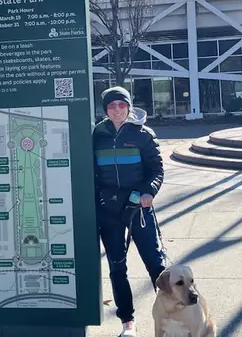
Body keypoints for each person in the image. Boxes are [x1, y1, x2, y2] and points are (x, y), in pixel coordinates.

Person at [93, 86, 165, 337]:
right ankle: (128, 323)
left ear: (129, 107)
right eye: (111, 105)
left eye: (121, 105)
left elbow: (156, 169)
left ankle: (170, 317)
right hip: (109, 209)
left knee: (155, 264)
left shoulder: (143, 134)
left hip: (138, 208)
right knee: (116, 266)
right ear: (105, 109)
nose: (116, 110)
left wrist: (148, 191)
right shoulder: (96, 135)